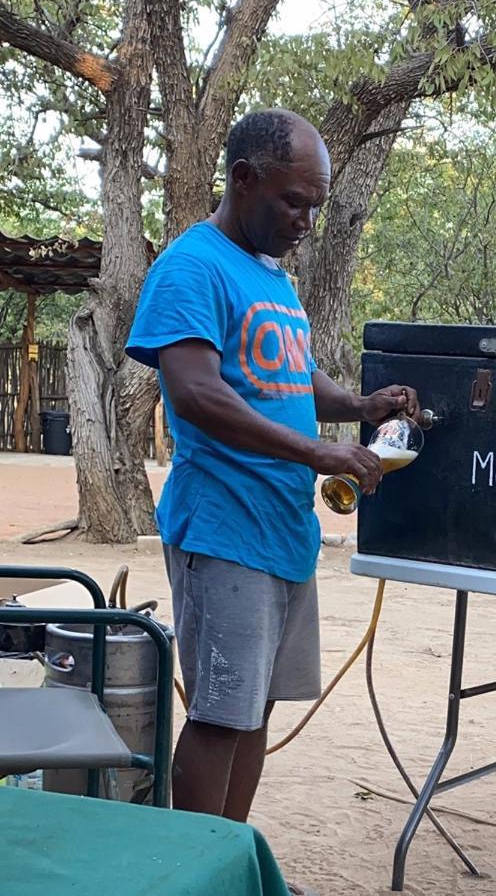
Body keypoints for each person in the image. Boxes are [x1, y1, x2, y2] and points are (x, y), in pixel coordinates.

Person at [126, 109, 419, 823]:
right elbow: (195, 394)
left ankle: (230, 856)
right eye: (294, 202)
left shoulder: (274, 282)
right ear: (242, 179)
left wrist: (359, 405)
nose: (306, 222)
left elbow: (293, 375)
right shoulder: (192, 267)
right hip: (225, 526)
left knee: (255, 708)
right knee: (221, 714)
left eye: (315, 206)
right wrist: (318, 450)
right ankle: (194, 866)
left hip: (281, 531)